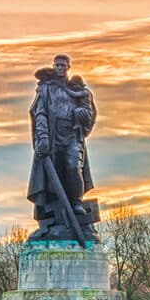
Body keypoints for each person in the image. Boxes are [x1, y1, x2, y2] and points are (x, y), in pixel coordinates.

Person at [27, 54, 100, 243]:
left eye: (63, 65)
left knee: (73, 166)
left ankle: (76, 204)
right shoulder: (46, 89)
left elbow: (90, 114)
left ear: (69, 67)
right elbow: (39, 113)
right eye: (57, 65)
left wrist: (82, 118)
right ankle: (55, 210)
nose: (60, 68)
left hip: (72, 135)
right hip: (52, 137)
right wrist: (42, 138)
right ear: (54, 66)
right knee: (55, 175)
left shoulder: (77, 89)